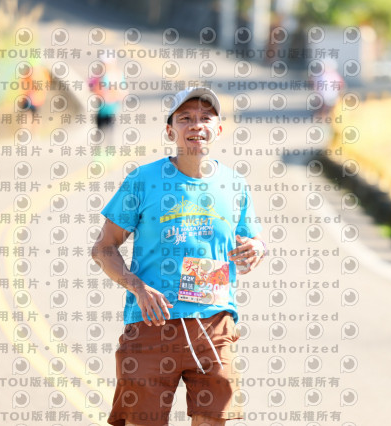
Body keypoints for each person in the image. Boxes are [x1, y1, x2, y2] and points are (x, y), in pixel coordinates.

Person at [92, 87, 267, 426]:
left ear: (218, 129)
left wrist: (258, 248)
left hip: (214, 324)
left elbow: (253, 238)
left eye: (205, 118)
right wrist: (138, 287)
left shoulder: (234, 184)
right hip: (151, 323)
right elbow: (103, 248)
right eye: (185, 118)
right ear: (170, 131)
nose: (196, 125)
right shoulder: (143, 180)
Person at [88, 54, 126, 143]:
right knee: (99, 134)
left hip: (112, 110)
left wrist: (113, 94)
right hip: (99, 110)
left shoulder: (118, 75)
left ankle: (109, 151)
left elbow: (123, 93)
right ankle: (99, 150)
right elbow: (91, 89)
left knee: (109, 135)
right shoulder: (97, 76)